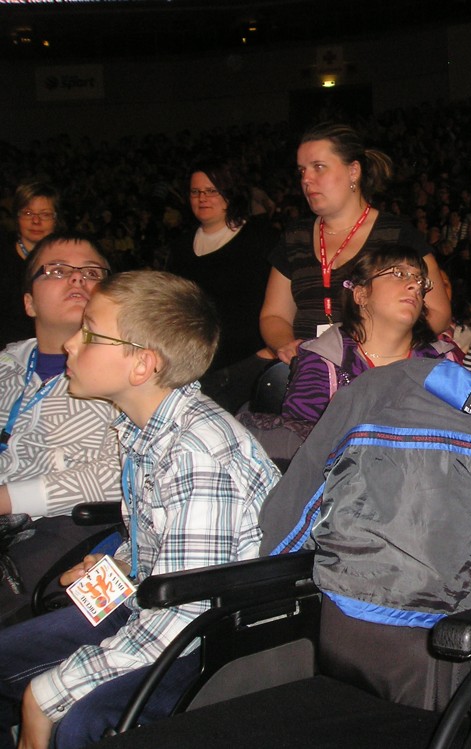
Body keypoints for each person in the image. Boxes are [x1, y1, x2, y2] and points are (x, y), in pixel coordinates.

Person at [0, 271, 280, 749]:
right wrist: (116, 569)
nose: (70, 344)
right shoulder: (142, 428)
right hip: (153, 600)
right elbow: (157, 539)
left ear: (142, 366)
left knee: (75, 719)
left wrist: (45, 696)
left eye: (89, 333)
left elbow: (184, 616)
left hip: (214, 633)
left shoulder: (196, 454)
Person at [240, 245, 461, 460]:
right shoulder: (323, 365)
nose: (414, 285)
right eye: (399, 274)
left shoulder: (444, 361)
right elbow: (302, 450)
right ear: (361, 294)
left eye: (420, 281)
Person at [259, 123, 452, 365]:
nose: (306, 179)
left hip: (376, 371)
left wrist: (383, 350)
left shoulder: (397, 234)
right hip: (309, 370)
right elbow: (274, 315)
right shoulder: (294, 237)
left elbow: (438, 312)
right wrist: (288, 347)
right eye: (302, 171)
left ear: (353, 171)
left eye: (319, 167)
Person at [0, 234, 120, 625]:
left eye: (92, 272)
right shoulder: (7, 367)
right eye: (56, 270)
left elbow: (123, 473)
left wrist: (7, 499)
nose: (77, 279)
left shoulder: (130, 371)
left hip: (68, 529)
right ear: (29, 302)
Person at [165, 158, 278, 412]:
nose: (202, 198)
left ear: (230, 193)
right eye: (196, 192)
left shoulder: (260, 240)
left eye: (211, 191)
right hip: (197, 368)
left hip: (247, 366)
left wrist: (267, 351)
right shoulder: (181, 247)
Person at [2, 183, 63, 348]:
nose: (36, 221)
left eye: (45, 214)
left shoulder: (67, 260)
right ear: (17, 217)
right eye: (28, 213)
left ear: (56, 219)